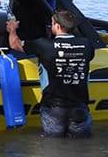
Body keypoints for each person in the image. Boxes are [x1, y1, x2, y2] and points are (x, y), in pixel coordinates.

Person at [7, 8, 94, 138]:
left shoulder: (44, 45)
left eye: (52, 23)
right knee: (81, 143)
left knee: (53, 146)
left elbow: (15, 45)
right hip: (79, 107)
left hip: (54, 108)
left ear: (57, 26)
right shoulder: (87, 44)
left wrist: (12, 29)